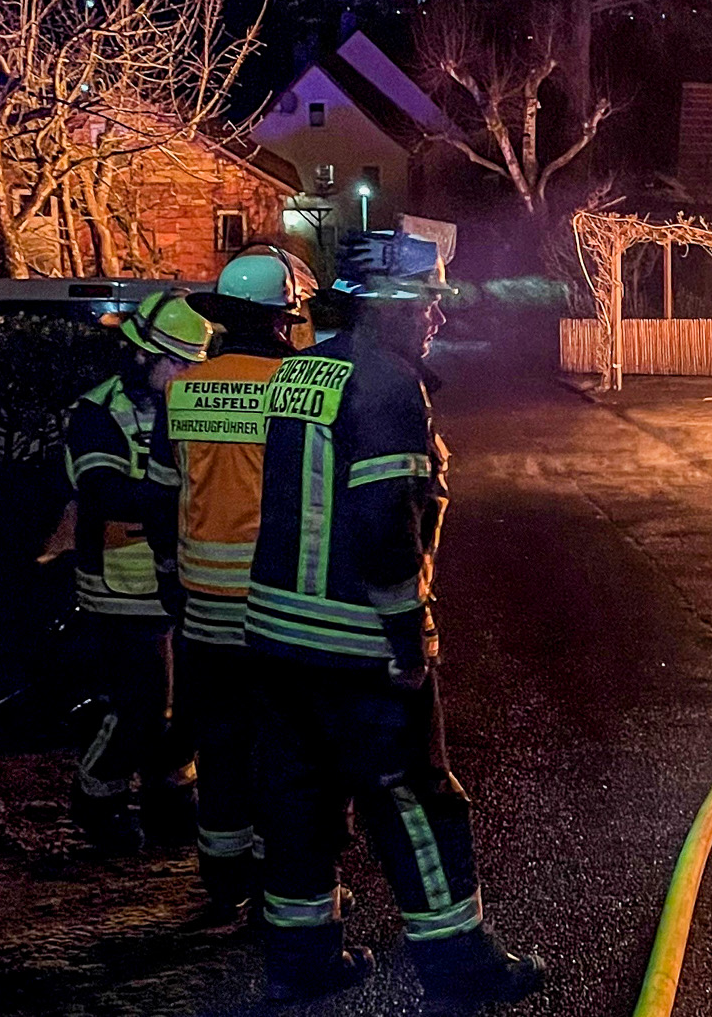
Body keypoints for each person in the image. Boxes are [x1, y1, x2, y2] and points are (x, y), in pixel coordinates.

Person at [245, 230, 545, 1009]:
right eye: (426, 303)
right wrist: (407, 641)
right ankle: (460, 969)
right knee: (415, 797)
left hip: (276, 635)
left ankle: (300, 961)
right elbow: (385, 526)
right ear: (388, 307)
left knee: (301, 802)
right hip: (356, 643)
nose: (436, 317)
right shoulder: (387, 385)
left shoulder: (300, 370)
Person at [164, 249, 314, 921]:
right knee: (282, 748)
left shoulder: (185, 388)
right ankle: (278, 878)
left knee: (219, 743)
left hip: (203, 607)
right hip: (274, 606)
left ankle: (223, 879)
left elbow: (168, 489)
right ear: (284, 319)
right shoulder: (296, 387)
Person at [64, 289, 211, 852]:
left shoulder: (191, 403)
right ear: (143, 354)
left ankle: (171, 800)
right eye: (176, 364)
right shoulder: (97, 412)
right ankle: (97, 797)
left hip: (187, 579)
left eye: (191, 365)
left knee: (189, 706)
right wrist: (181, 497)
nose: (184, 376)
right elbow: (103, 492)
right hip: (122, 583)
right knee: (143, 706)